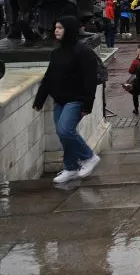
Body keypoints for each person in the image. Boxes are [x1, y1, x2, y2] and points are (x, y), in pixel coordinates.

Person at [32, 16, 102, 184]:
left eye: (60, 28)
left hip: (76, 99)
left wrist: (88, 104)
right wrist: (40, 99)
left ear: (69, 30)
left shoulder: (83, 52)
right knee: (63, 134)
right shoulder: (57, 52)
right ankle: (70, 168)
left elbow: (90, 80)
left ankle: (89, 157)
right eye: (55, 27)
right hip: (60, 100)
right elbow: (49, 77)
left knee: (65, 130)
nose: (56, 30)